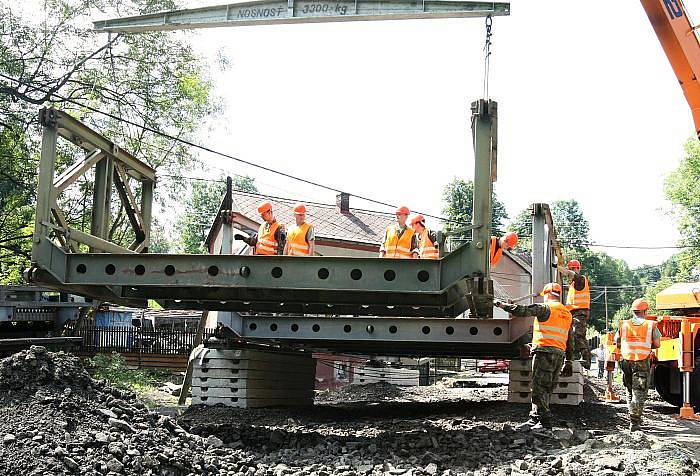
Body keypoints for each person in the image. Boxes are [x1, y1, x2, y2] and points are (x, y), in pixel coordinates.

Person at [494, 283, 574, 434]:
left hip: (544, 351)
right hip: (559, 354)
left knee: (538, 387)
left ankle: (545, 423)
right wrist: (569, 360)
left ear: (547, 294)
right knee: (547, 387)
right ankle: (535, 418)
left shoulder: (545, 308)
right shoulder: (567, 313)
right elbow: (571, 340)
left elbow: (522, 311)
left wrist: (502, 305)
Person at [615, 298, 661, 431]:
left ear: (633, 311)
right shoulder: (650, 325)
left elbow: (617, 342)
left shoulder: (624, 324)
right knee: (639, 391)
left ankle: (632, 417)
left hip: (626, 361)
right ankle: (634, 422)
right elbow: (657, 344)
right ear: (645, 311)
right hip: (641, 360)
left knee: (629, 390)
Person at [557, 259, 592, 369]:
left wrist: (557, 267)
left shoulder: (580, 280)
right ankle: (574, 356)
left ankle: (586, 359)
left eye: (573, 268)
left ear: (578, 268)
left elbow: (570, 274)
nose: (572, 270)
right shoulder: (573, 285)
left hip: (580, 312)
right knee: (571, 336)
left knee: (578, 334)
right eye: (571, 268)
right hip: (573, 313)